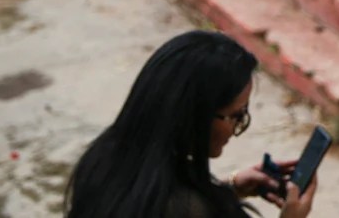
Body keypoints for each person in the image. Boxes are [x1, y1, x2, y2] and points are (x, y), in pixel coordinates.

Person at [65, 30, 317, 217]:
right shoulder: (185, 209)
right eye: (236, 116)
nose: (237, 128)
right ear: (194, 115)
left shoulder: (103, 158)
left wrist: (227, 188)